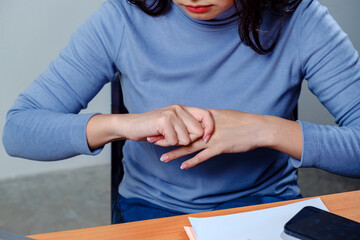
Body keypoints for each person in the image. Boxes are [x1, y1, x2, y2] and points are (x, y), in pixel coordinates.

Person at [3, 0, 360, 223]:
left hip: (265, 209)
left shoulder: (301, 19)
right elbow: (19, 131)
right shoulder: (122, 17)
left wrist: (266, 130)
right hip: (153, 208)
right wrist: (125, 124)